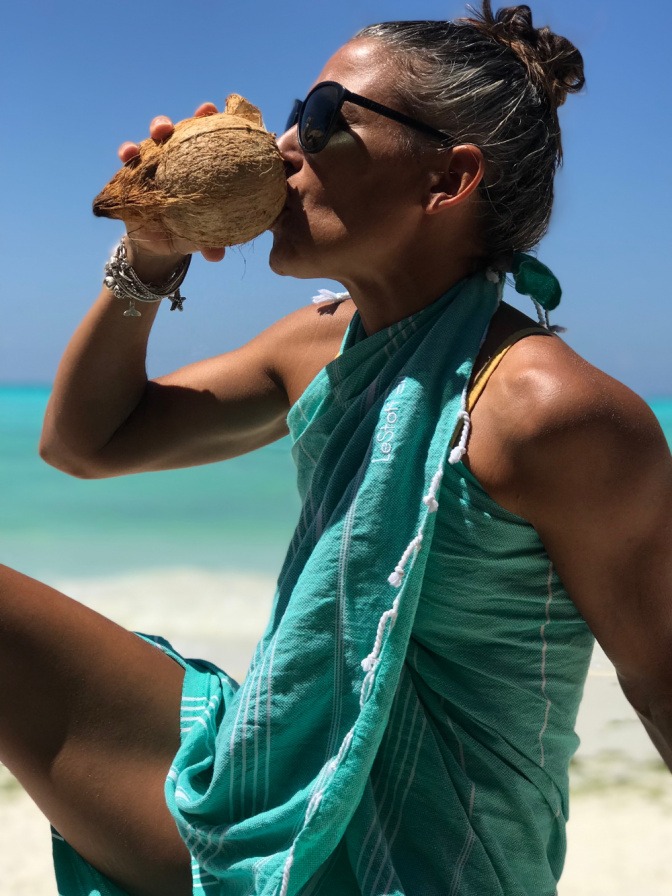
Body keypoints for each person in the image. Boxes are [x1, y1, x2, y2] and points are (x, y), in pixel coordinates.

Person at [2, 3, 670, 894]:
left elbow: (661, 681)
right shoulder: (316, 346)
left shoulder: (545, 410)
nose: (282, 147)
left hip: (424, 859)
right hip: (271, 778)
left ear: (448, 179)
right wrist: (150, 254)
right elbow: (84, 444)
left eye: (323, 121)